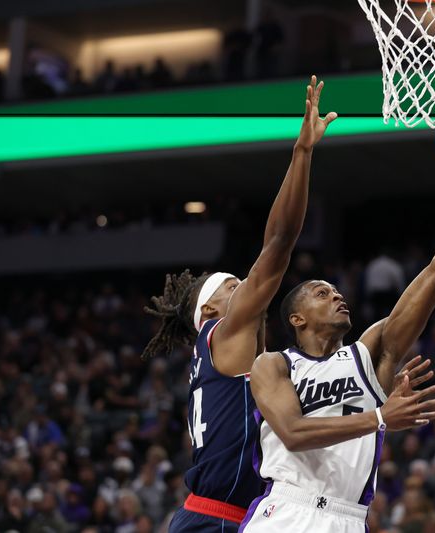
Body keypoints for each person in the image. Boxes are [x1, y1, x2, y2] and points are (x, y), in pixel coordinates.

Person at [241, 125, 435, 532]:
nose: (337, 296)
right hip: (286, 511)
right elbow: (293, 432)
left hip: (348, 518)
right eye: (322, 293)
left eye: (337, 292)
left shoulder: (370, 353)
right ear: (296, 319)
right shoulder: (274, 365)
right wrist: (380, 417)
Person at [142, 76, 337, 532]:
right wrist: (302, 152)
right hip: (216, 521)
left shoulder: (239, 356)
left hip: (239, 518)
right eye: (233, 285)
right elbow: (279, 242)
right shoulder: (222, 334)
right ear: (210, 312)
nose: (246, 286)